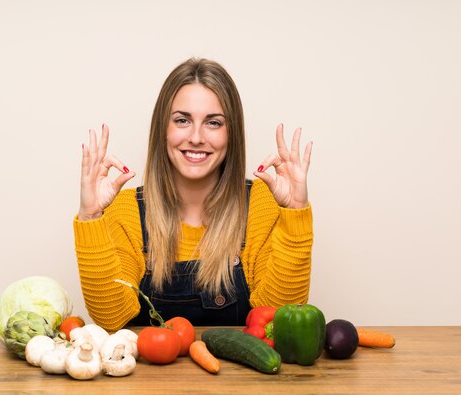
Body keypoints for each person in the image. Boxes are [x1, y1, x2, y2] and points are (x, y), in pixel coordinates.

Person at [74, 58, 313, 331]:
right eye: (182, 120)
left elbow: (280, 320)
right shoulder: (125, 210)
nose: (197, 137)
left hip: (242, 375)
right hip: (153, 375)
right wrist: (91, 216)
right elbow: (111, 320)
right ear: (162, 129)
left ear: (231, 133)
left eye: (213, 123)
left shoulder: (262, 205)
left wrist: (295, 212)